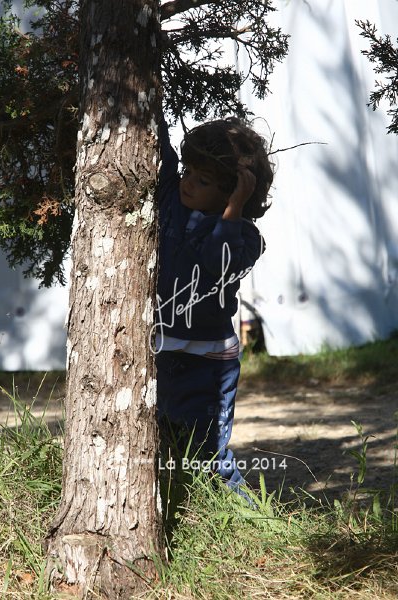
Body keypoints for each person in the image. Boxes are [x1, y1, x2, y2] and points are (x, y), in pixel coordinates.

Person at [153, 113, 273, 498]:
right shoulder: (172, 203)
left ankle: (248, 514)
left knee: (209, 453)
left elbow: (217, 261)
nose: (187, 182)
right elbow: (162, 153)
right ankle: (183, 502)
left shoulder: (245, 237)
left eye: (203, 180)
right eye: (188, 172)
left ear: (232, 193)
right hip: (161, 350)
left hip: (208, 363)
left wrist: (233, 209)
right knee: (160, 437)